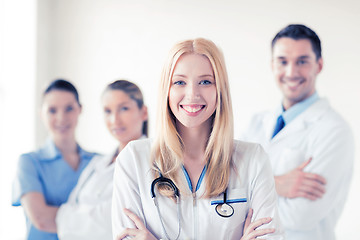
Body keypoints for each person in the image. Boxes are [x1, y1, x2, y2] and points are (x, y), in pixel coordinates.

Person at [112, 38, 284, 240]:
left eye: (205, 82)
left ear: (220, 89)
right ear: (167, 90)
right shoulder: (133, 159)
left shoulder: (253, 159)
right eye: (179, 82)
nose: (192, 94)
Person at [241, 24, 354, 240]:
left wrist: (246, 190)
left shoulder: (335, 131)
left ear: (319, 65)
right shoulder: (256, 123)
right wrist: (276, 183)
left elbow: (300, 216)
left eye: (302, 61)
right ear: (272, 65)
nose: (291, 72)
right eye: (283, 61)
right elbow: (222, 186)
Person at [56, 80, 148, 240]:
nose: (114, 120)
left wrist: (74, 217)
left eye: (124, 108)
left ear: (143, 112)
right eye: (107, 111)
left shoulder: (151, 164)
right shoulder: (97, 163)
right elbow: (63, 219)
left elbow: (112, 224)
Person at [12, 79, 97, 240]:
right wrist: (96, 218)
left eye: (69, 108)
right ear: (41, 114)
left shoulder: (99, 163)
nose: (61, 117)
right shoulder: (29, 163)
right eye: (52, 110)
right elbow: (41, 219)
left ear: (80, 109)